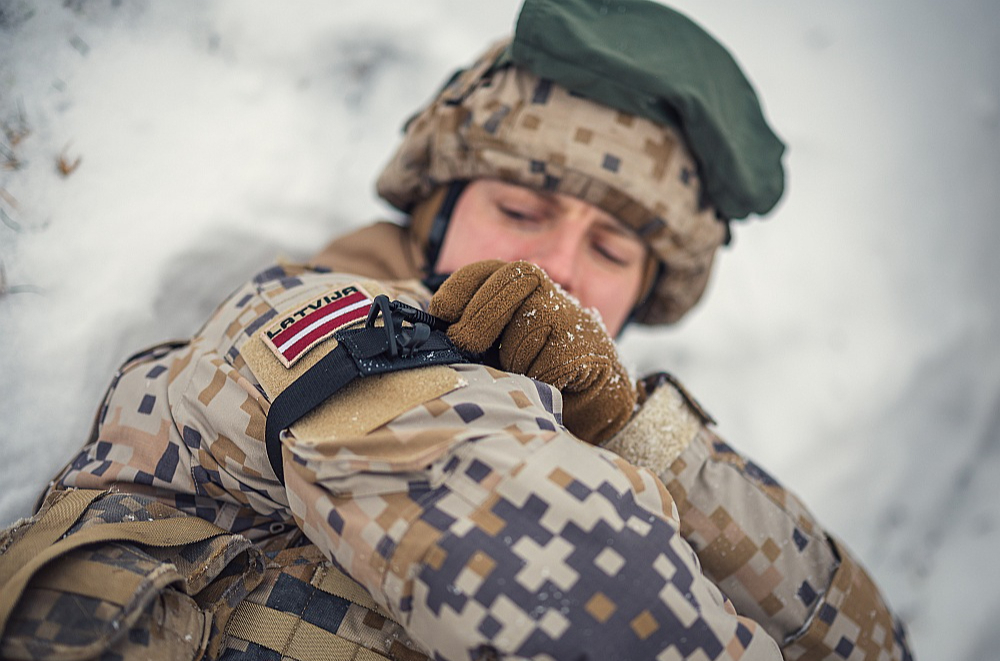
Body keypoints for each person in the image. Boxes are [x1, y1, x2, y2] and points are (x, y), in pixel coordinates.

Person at [0, 1, 913, 660]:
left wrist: (640, 437)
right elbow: (548, 551)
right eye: (521, 207)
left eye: (611, 247)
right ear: (433, 217)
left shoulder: (585, 421)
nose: (558, 266)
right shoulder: (306, 318)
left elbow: (868, 640)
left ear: (646, 294)